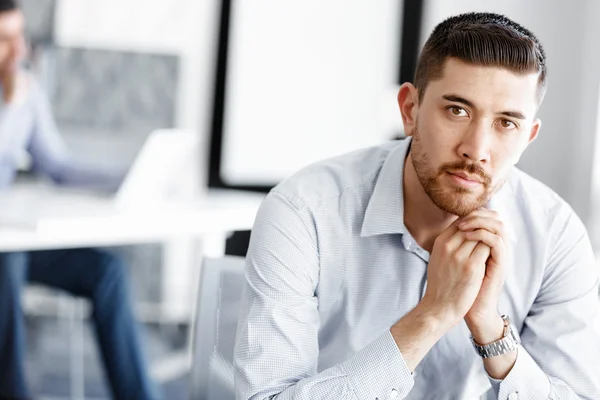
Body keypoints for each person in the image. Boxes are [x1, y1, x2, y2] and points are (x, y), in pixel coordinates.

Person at [234, 12, 600, 400]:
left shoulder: (556, 234)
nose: (476, 149)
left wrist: (492, 330)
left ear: (528, 137)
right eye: (457, 110)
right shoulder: (304, 210)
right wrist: (433, 314)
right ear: (410, 109)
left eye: (506, 123)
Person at [0, 1, 159, 399]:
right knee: (9, 258)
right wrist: (7, 108)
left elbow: (57, 165)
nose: (19, 50)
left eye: (19, 37)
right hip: (6, 248)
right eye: (4, 41)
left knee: (108, 272)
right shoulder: (15, 96)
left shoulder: (25, 89)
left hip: (14, 239)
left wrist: (127, 177)